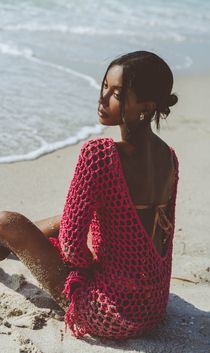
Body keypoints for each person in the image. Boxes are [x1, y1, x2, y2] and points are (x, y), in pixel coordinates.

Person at [0, 51, 179, 339]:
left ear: (146, 106)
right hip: (152, 306)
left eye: (117, 94)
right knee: (66, 219)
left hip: (107, 311)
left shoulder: (99, 154)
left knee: (7, 222)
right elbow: (156, 236)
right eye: (104, 87)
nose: (103, 98)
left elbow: (71, 245)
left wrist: (84, 267)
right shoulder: (169, 157)